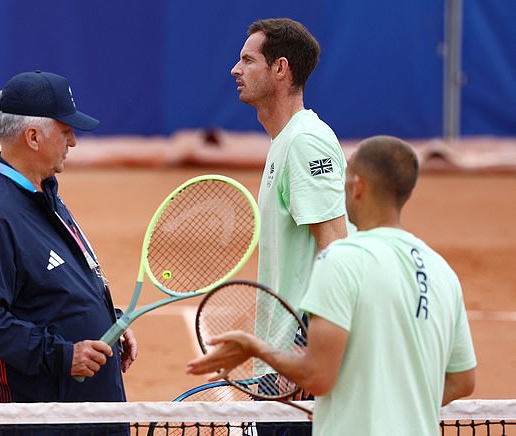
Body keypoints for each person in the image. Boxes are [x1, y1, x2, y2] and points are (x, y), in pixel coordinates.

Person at [187, 136, 477, 436]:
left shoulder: (339, 260)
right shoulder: (442, 271)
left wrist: (256, 348)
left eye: (345, 177)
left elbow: (317, 376)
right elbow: (463, 381)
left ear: (359, 186)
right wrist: (398, 407)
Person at [0, 71, 138, 406]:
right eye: (66, 130)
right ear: (33, 137)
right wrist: (62, 355)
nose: (73, 142)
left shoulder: (44, 193)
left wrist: (106, 320)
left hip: (80, 407)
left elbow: (48, 284)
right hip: (36, 418)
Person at [230, 18, 350, 435]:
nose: (235, 69)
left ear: (280, 69)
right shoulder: (285, 141)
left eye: (247, 60)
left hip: (299, 369)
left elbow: (337, 251)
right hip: (282, 363)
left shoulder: (305, 141)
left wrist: (302, 353)